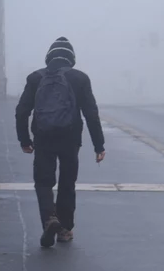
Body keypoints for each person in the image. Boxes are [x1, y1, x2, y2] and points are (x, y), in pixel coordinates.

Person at [15, 37, 106, 248]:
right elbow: (91, 114)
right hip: (70, 137)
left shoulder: (35, 78)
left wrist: (24, 140)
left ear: (48, 57)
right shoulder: (80, 78)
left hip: (43, 136)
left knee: (44, 182)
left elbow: (21, 111)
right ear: (71, 58)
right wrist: (98, 145)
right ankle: (65, 229)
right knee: (67, 182)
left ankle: (49, 218)